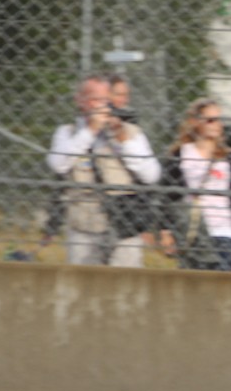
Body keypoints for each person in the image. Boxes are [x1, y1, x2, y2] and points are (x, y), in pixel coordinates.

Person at [46, 73, 160, 268]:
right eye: (95, 99)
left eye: (106, 99)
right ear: (80, 101)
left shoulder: (131, 132)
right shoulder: (67, 132)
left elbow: (151, 175)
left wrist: (121, 137)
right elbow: (59, 164)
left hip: (123, 224)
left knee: (127, 286)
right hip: (84, 225)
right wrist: (90, 131)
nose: (102, 105)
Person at [159, 98, 231, 271]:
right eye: (210, 120)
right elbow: (169, 196)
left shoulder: (228, 157)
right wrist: (166, 231)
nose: (217, 124)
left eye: (219, 119)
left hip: (224, 231)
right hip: (195, 231)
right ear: (195, 122)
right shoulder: (181, 154)